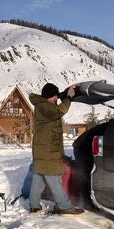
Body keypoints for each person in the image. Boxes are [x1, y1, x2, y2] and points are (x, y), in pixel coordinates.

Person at [28, 83, 84, 215]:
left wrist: (67, 92)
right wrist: (68, 98)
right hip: (47, 150)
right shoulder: (45, 106)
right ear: (49, 96)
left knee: (39, 177)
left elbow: (57, 105)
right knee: (54, 177)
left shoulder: (44, 105)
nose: (56, 99)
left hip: (44, 149)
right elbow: (59, 111)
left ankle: (34, 205)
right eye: (55, 97)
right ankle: (64, 206)